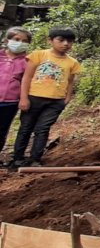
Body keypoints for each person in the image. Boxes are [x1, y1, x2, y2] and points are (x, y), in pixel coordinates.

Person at [12, 27, 82, 167]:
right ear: (50, 40)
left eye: (69, 41)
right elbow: (27, 77)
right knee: (26, 128)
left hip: (55, 102)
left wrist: (66, 99)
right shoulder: (38, 55)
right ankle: (17, 158)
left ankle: (35, 159)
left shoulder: (72, 62)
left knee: (42, 129)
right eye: (61, 40)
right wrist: (24, 98)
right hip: (33, 98)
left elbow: (70, 82)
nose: (65, 44)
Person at [0, 27, 31, 160]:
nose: (20, 43)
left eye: (24, 41)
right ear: (7, 40)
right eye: (16, 39)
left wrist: (23, 99)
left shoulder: (27, 62)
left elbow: (27, 81)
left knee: (1, 130)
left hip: (10, 102)